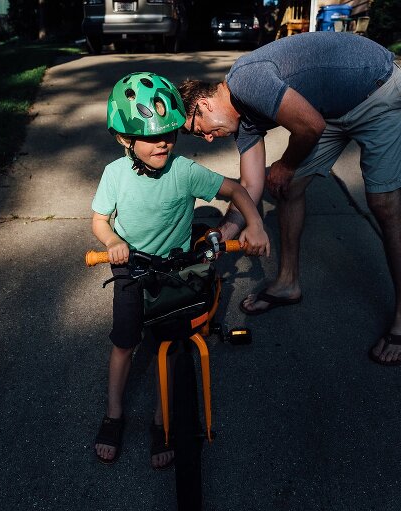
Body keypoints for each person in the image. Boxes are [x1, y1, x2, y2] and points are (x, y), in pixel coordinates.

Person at [178, 32, 401, 366]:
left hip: (377, 90)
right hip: (331, 111)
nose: (206, 139)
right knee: (286, 187)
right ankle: (288, 283)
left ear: (205, 104)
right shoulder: (244, 121)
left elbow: (309, 126)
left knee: (384, 203)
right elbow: (250, 187)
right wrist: (215, 244)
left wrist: (287, 164)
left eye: (198, 128)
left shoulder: (246, 81)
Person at [91, 72, 270, 468]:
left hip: (175, 270)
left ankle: (162, 420)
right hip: (131, 267)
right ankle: (114, 413)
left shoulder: (184, 170)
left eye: (169, 134)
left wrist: (255, 224)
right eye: (152, 138)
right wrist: (112, 243)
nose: (164, 144)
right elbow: (100, 220)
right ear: (125, 139)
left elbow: (237, 189)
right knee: (124, 343)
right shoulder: (114, 175)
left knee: (167, 347)